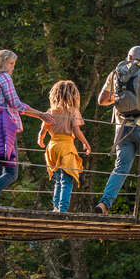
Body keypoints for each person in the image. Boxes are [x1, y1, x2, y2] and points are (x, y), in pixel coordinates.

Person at [0, 49, 53, 206]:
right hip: (3, 130)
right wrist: (41, 115)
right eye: (11, 63)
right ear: (2, 63)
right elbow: (17, 105)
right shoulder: (4, 78)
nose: (13, 68)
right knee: (11, 173)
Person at [93, 45, 140, 217]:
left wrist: (119, 97)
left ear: (128, 57)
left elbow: (101, 100)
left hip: (122, 129)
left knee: (120, 168)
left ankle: (104, 204)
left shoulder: (115, 73)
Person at [39, 80, 91, 213]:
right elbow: (77, 131)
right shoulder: (72, 111)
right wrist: (86, 143)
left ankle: (56, 207)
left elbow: (43, 130)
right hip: (66, 147)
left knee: (58, 180)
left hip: (52, 146)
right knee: (67, 179)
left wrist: (40, 139)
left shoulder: (51, 111)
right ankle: (63, 209)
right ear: (74, 96)